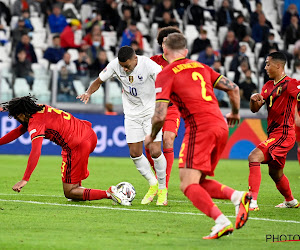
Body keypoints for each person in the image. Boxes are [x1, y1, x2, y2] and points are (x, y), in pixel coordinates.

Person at [145, 33, 251, 239]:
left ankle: (221, 221)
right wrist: (236, 112)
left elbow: (159, 115)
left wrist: (151, 136)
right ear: (185, 51)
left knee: (187, 184)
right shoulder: (202, 67)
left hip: (200, 128)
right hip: (221, 125)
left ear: (165, 50)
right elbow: (234, 89)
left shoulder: (166, 73)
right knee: (198, 181)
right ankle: (238, 197)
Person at [77, 46, 168, 206]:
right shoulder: (115, 65)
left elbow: (166, 81)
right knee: (134, 153)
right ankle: (152, 184)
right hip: (131, 114)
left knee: (154, 150)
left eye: (127, 66)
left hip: (150, 112)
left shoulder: (148, 65)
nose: (124, 69)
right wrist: (88, 92)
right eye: (122, 66)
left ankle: (162, 189)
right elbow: (98, 81)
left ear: (135, 59)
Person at [0, 96, 125, 205]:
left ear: (22, 114)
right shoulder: (38, 108)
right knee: (74, 187)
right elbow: (18, 131)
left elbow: (36, 151)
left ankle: (111, 193)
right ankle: (79, 191)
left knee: (69, 192)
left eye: (16, 116)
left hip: (76, 145)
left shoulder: (36, 123)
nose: (17, 119)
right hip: (89, 134)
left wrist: (25, 179)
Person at [248, 51, 300, 211]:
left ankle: (252, 202)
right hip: (275, 134)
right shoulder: (268, 86)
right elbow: (255, 109)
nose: (265, 67)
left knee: (254, 156)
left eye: (268, 64)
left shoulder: (291, 84)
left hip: (284, 133)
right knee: (275, 173)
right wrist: (253, 101)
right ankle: (291, 201)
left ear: (278, 65)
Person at [149, 26, 181, 190]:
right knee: (150, 147)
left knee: (168, 140)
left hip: (172, 108)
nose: (166, 45)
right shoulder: (152, 61)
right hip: (152, 109)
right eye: (163, 42)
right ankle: (158, 178)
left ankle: (164, 188)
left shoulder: (182, 64)